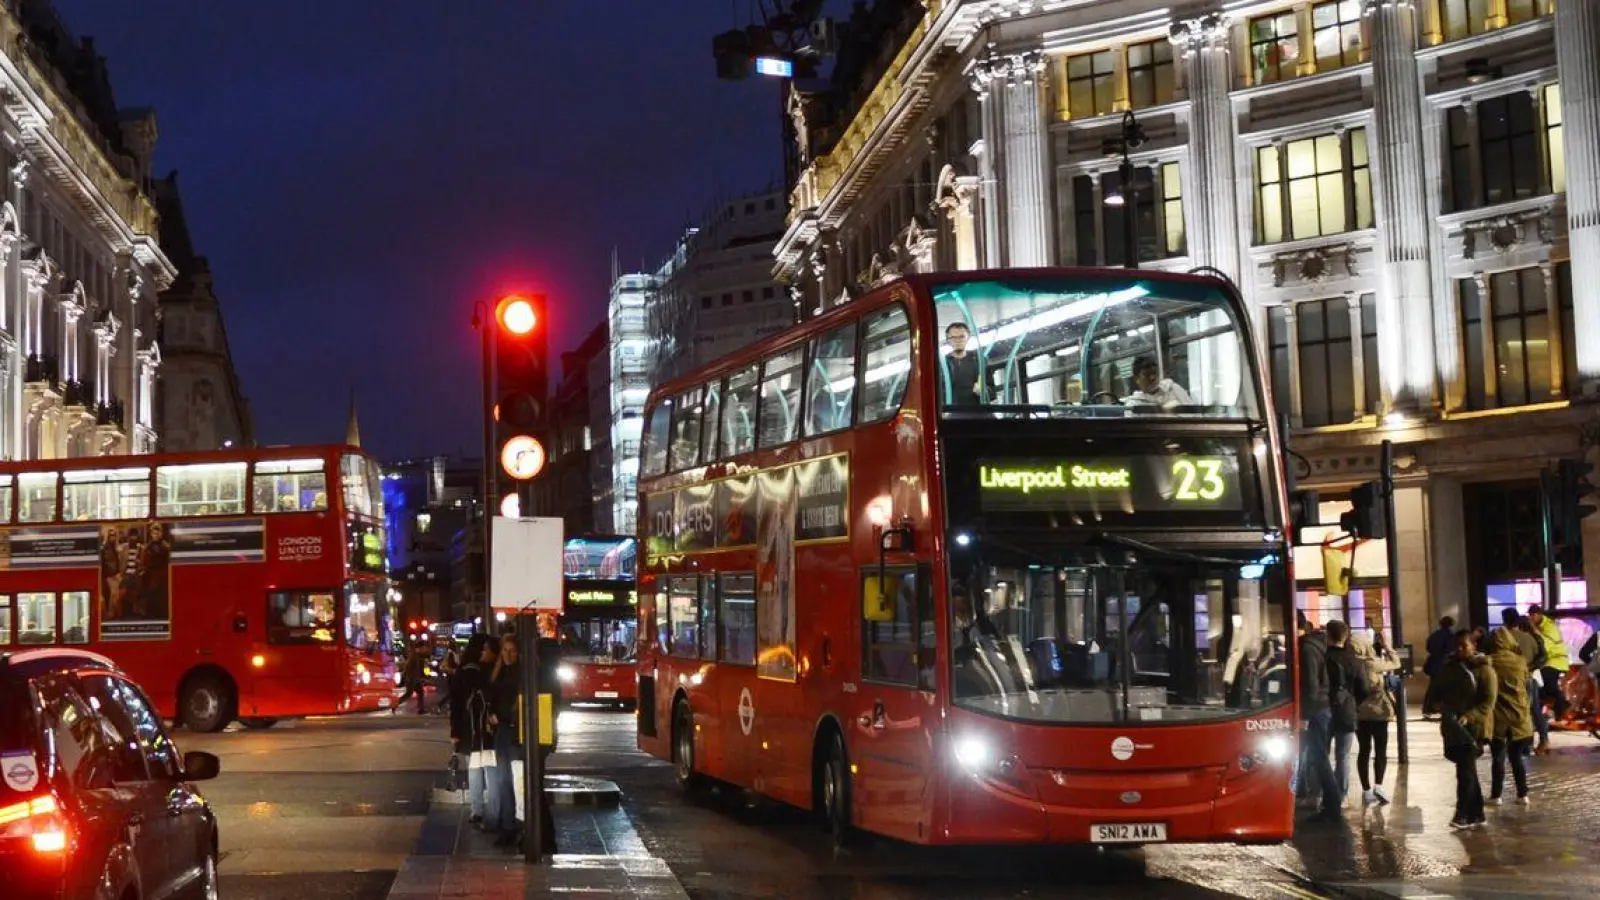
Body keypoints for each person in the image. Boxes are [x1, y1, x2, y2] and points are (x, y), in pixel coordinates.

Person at [1429, 629, 1496, 830]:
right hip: (1452, 726)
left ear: (1473, 646)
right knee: (1465, 770)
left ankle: (1463, 814)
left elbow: (1488, 701)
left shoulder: (1485, 670)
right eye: (1456, 646)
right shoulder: (1448, 668)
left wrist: (1470, 716)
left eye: (1463, 646)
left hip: (1472, 729)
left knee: (1465, 771)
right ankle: (1478, 813)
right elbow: (1435, 691)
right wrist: (1436, 704)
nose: (1459, 649)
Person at [1295, 614, 1341, 821]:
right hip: (1321, 708)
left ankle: (1332, 804)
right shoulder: (1315, 645)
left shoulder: (1307, 649)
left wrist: (1304, 715)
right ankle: (1329, 801)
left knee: (1319, 757)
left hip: (1316, 710)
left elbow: (1311, 685)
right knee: (1317, 756)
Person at [1485, 628, 1533, 806]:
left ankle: (1496, 796)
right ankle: (1523, 794)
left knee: (1498, 756)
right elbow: (1528, 687)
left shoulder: (1490, 662)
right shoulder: (1521, 662)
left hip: (1498, 717)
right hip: (1519, 716)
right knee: (1517, 757)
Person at [1323, 620, 1366, 810]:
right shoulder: (1355, 660)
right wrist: (1353, 702)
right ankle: (1340, 795)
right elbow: (1363, 688)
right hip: (1347, 710)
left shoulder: (1322, 657)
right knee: (1343, 756)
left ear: (1328, 635)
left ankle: (1323, 793)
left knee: (1321, 754)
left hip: (1324, 710)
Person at [458, 636, 500, 828]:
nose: (483, 653)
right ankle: (491, 811)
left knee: (475, 771)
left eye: (486, 649)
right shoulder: (490, 672)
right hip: (487, 732)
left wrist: (456, 732)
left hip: (474, 731)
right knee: (490, 772)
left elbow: (458, 703)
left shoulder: (467, 671)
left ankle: (478, 810)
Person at [1352, 633, 1397, 806]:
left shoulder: (1351, 663)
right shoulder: (1372, 664)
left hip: (1359, 714)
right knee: (1380, 750)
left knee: (1364, 751)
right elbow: (1396, 663)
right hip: (1378, 714)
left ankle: (1366, 790)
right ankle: (1379, 786)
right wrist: (1387, 646)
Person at [488, 633, 524, 848]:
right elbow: (494, 697)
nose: (508, 655)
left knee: (515, 780)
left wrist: (501, 715)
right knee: (503, 780)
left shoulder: (520, 675)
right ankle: (508, 826)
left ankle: (515, 826)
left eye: (512, 651)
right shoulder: (500, 673)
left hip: (513, 731)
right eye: (505, 650)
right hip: (502, 731)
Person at [1526, 606, 1570, 724]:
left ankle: (1562, 705)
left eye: (1533, 615)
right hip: (1547, 662)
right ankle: (1545, 714)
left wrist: (1534, 631)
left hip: (1557, 661)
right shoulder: (1539, 627)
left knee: (1545, 681)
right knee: (1541, 687)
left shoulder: (1549, 627)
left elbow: (1545, 647)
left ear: (1539, 614)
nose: (1531, 618)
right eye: (1529, 615)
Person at [1123, 356, 1194, 409]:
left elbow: (1194, 412)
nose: (1152, 378)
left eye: (1155, 373)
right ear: (1137, 378)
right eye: (1147, 375)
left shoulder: (1173, 389)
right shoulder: (1134, 405)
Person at [1421, 615, 1456, 719]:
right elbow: (1451, 650)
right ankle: (1443, 710)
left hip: (1434, 664)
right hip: (1445, 665)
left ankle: (1427, 710)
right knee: (1446, 689)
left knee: (1433, 688)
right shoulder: (1450, 635)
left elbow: (1428, 647)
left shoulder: (1434, 635)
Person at [942, 322, 982, 406]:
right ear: (947, 339)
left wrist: (983, 390)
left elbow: (992, 389)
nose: (957, 341)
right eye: (953, 337)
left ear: (968, 337)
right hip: (949, 412)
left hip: (975, 412)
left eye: (962, 337)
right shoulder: (942, 364)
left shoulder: (979, 360)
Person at [394, 643, 428, 714]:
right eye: (423, 648)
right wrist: (406, 678)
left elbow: (420, 670)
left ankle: (421, 709)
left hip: (415, 679)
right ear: (419, 648)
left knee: (419, 693)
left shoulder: (418, 657)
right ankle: (395, 704)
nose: (424, 650)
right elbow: (407, 668)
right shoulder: (414, 657)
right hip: (411, 679)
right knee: (409, 694)